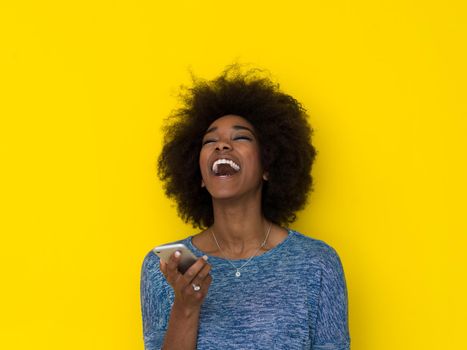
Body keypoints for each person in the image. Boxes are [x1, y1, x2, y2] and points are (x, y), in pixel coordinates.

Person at [140, 65, 351, 350]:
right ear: (199, 176)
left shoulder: (317, 264)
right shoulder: (166, 268)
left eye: (240, 137)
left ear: (267, 165)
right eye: (210, 141)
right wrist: (186, 305)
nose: (222, 146)